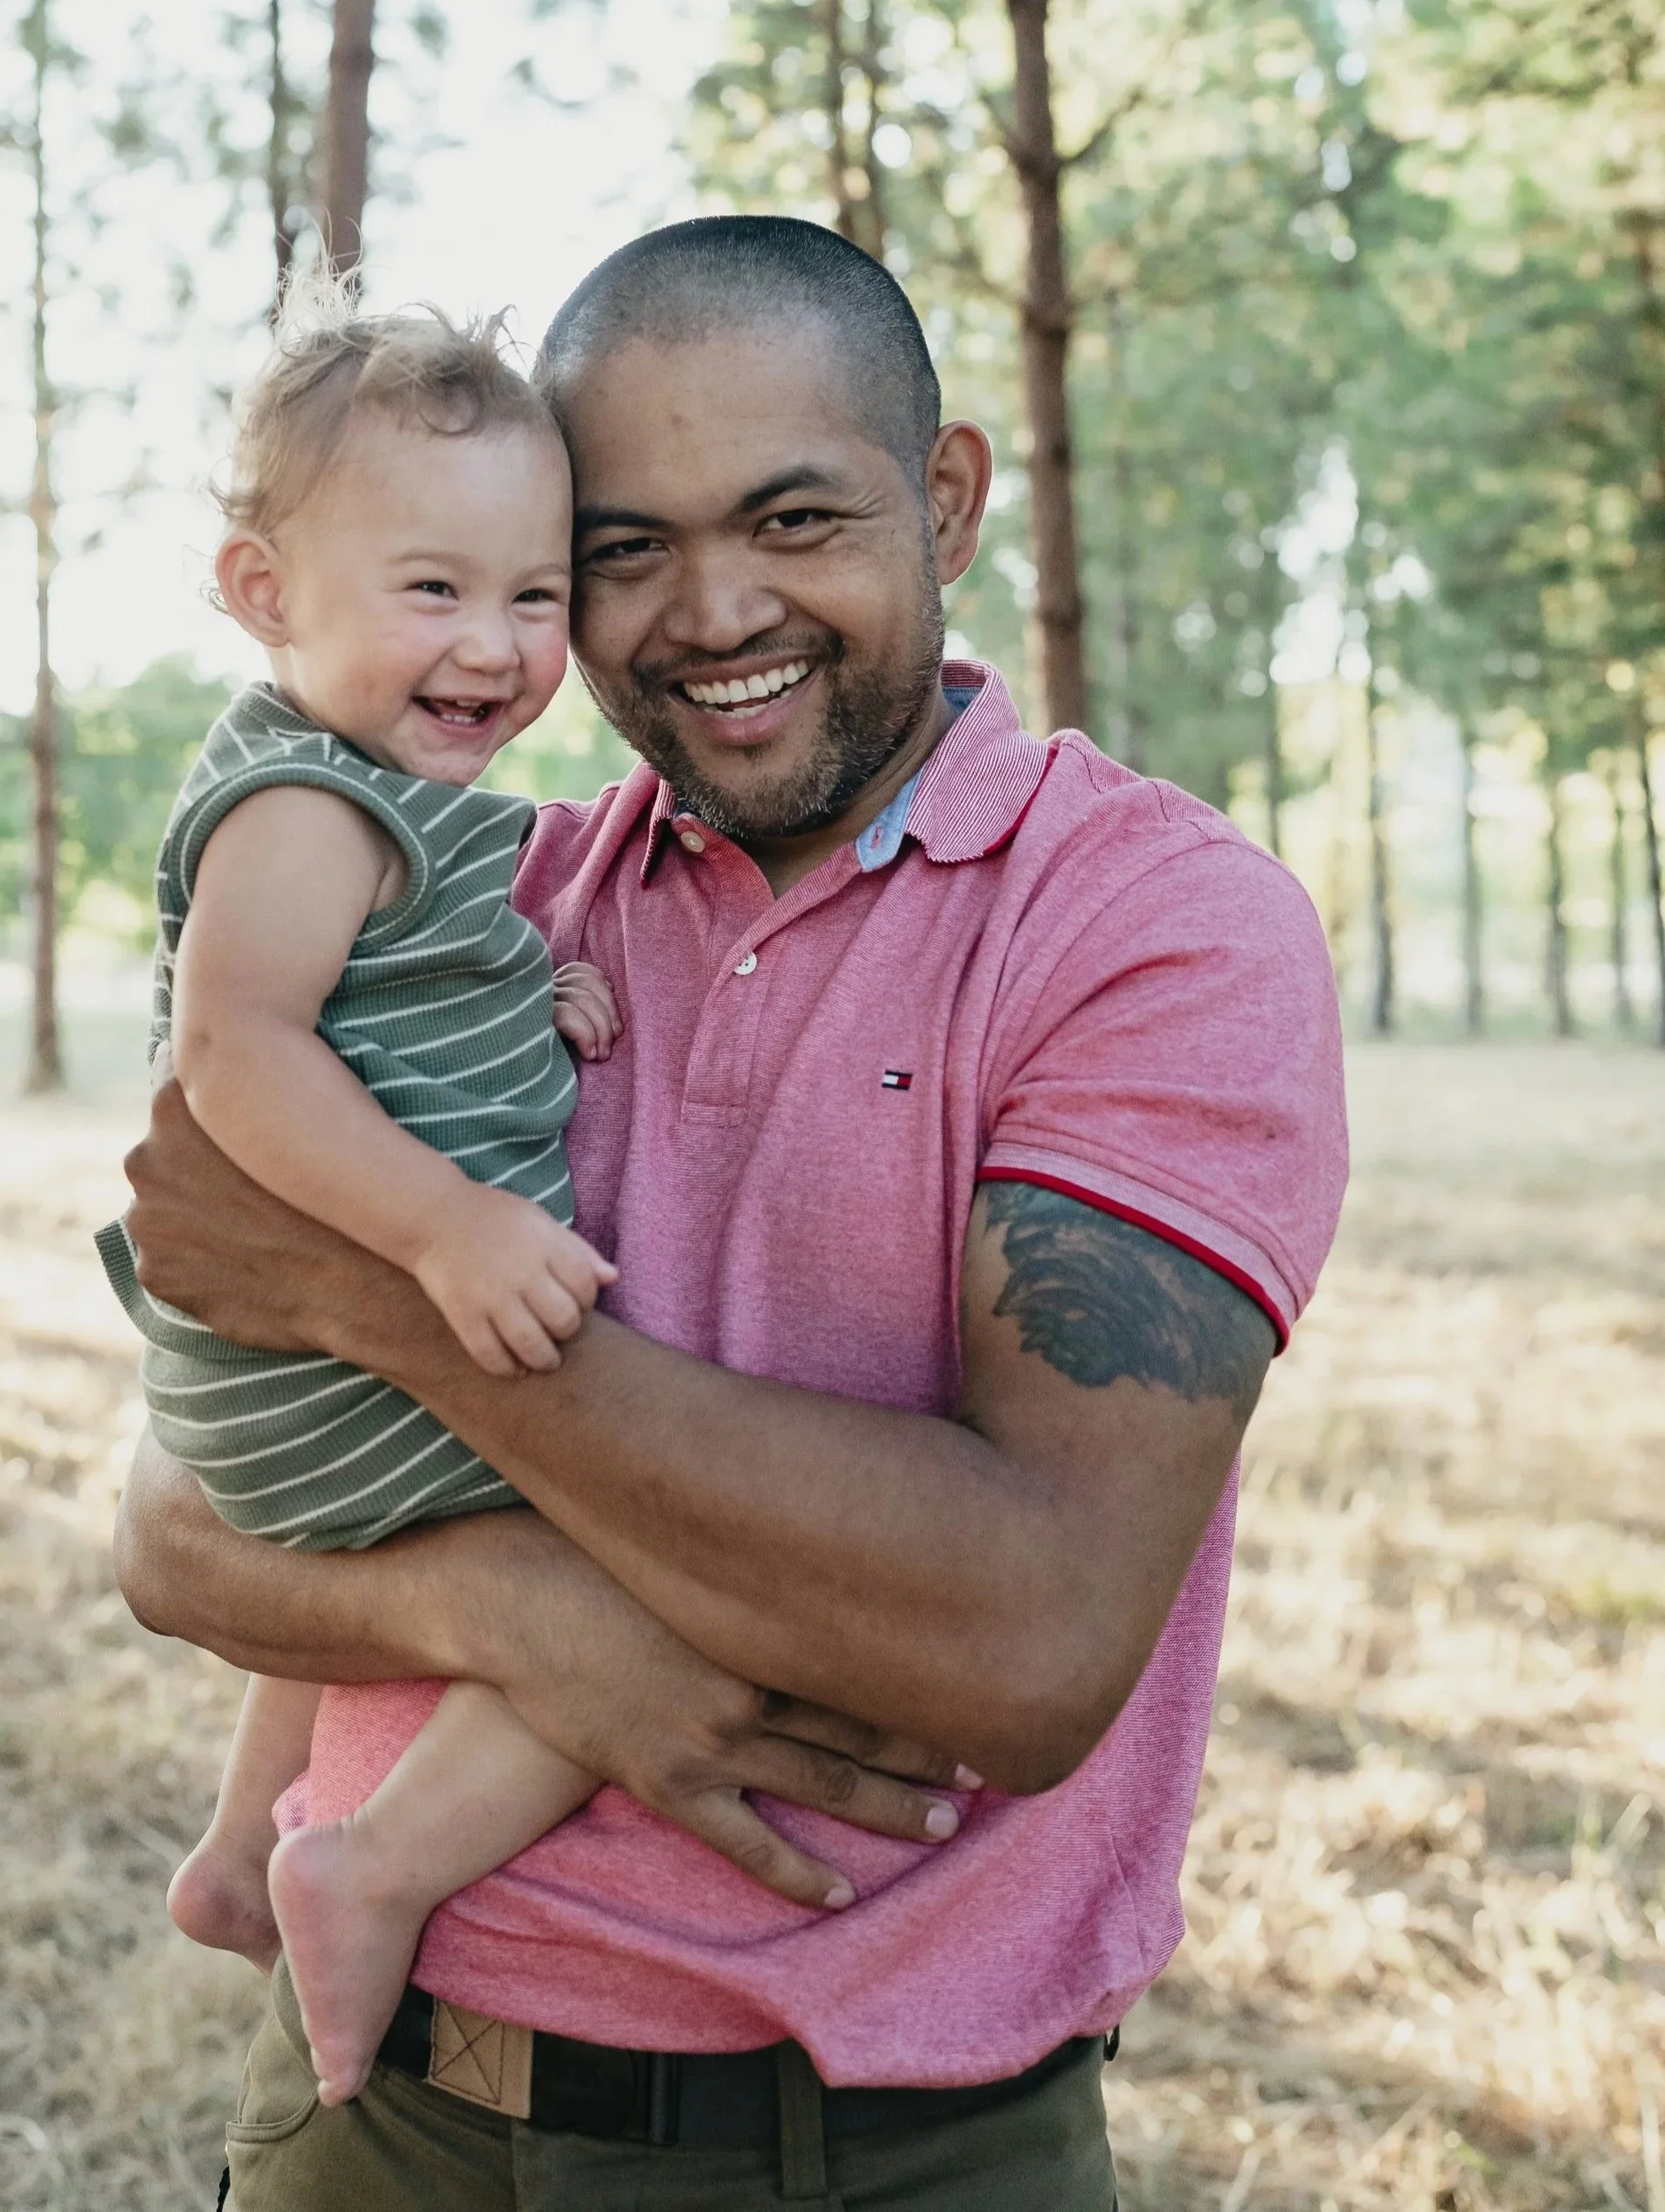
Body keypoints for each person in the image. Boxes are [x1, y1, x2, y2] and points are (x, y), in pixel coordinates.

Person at [114, 217, 1349, 2210]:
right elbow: (172, 1528)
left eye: (790, 518)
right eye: (621, 548)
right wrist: (519, 1617)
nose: (708, 609)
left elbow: (1026, 1637)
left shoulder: (1150, 923)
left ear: (940, 495)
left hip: (870, 2148)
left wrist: (399, 1311)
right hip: (375, 2108)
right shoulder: (480, 902)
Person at [100, 292, 852, 2116]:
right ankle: (368, 1866)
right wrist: (444, 1228)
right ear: (262, 590)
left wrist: (527, 993)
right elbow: (240, 1058)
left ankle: (228, 1843)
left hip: (293, 1367)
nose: (496, 645)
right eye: (430, 590)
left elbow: (391, 989)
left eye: (531, 596)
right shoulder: (298, 806)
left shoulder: (393, 799)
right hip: (322, 1356)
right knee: (638, 1548)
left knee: (399, 1561)